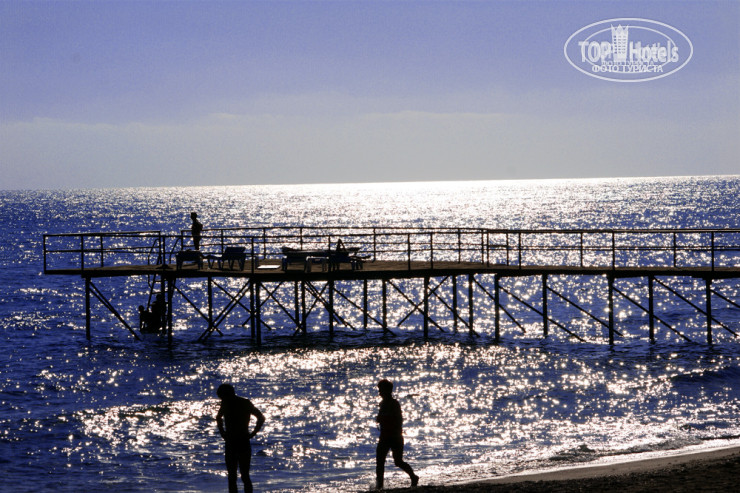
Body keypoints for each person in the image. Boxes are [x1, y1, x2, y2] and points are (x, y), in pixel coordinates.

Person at [216, 383, 265, 493]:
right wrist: (222, 433)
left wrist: (253, 433)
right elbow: (218, 417)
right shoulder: (227, 403)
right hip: (233, 441)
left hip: (240, 441)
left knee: (241, 475)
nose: (222, 399)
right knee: (235, 476)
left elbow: (261, 417)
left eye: (222, 396)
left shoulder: (243, 403)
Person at [375, 379, 418, 489]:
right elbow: (382, 418)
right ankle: (379, 486)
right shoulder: (382, 404)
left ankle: (413, 477)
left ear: (387, 391)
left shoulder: (394, 403)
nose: (379, 392)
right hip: (384, 436)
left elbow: (398, 420)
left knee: (398, 461)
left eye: (381, 390)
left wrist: (384, 419)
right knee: (380, 461)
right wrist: (379, 419)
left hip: (395, 437)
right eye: (379, 390)